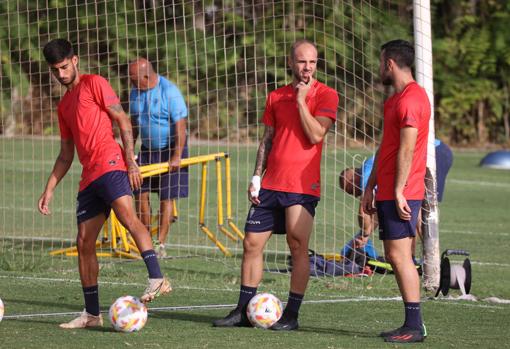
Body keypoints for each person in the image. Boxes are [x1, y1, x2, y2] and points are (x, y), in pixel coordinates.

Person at [38, 39, 171, 329]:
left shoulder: (95, 83)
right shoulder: (64, 106)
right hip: (89, 177)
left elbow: (122, 120)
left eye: (63, 67)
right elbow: (65, 154)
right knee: (84, 242)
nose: (60, 75)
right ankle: (92, 314)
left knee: (127, 217)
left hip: (110, 164)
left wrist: (130, 161)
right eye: (54, 70)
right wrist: (49, 188)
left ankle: (157, 277)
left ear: (75, 60)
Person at [212, 39, 339, 331]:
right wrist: (257, 176)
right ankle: (243, 311)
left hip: (302, 186)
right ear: (290, 63)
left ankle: (291, 315)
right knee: (251, 244)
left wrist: (301, 100)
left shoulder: (327, 95)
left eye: (312, 62)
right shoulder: (275, 96)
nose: (307, 67)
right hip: (271, 184)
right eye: (301, 61)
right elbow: (268, 139)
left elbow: (316, 135)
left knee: (297, 246)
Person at [361, 39, 430, 343]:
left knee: (400, 256)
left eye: (380, 62)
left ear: (389, 63)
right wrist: (369, 187)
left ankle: (414, 326)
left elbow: (407, 148)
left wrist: (400, 190)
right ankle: (410, 324)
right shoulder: (394, 101)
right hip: (388, 189)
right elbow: (386, 148)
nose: (379, 68)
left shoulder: (412, 99)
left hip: (403, 190)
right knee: (394, 254)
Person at [339, 139, 453, 261]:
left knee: (422, 210)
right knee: (412, 210)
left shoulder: (366, 174)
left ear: (352, 179)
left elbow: (364, 210)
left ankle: (432, 261)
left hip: (433, 153)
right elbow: (375, 213)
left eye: (350, 191)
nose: (354, 195)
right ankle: (412, 258)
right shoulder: (370, 167)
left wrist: (364, 234)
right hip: (437, 150)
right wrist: (365, 235)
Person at [129, 58, 189, 258]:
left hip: (171, 149)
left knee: (166, 197)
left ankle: (159, 243)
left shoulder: (169, 92)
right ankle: (145, 240)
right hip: (147, 149)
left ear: (146, 76)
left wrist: (177, 156)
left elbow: (181, 126)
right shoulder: (135, 93)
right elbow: (134, 124)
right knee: (140, 193)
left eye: (134, 79)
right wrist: (130, 151)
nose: (131, 83)